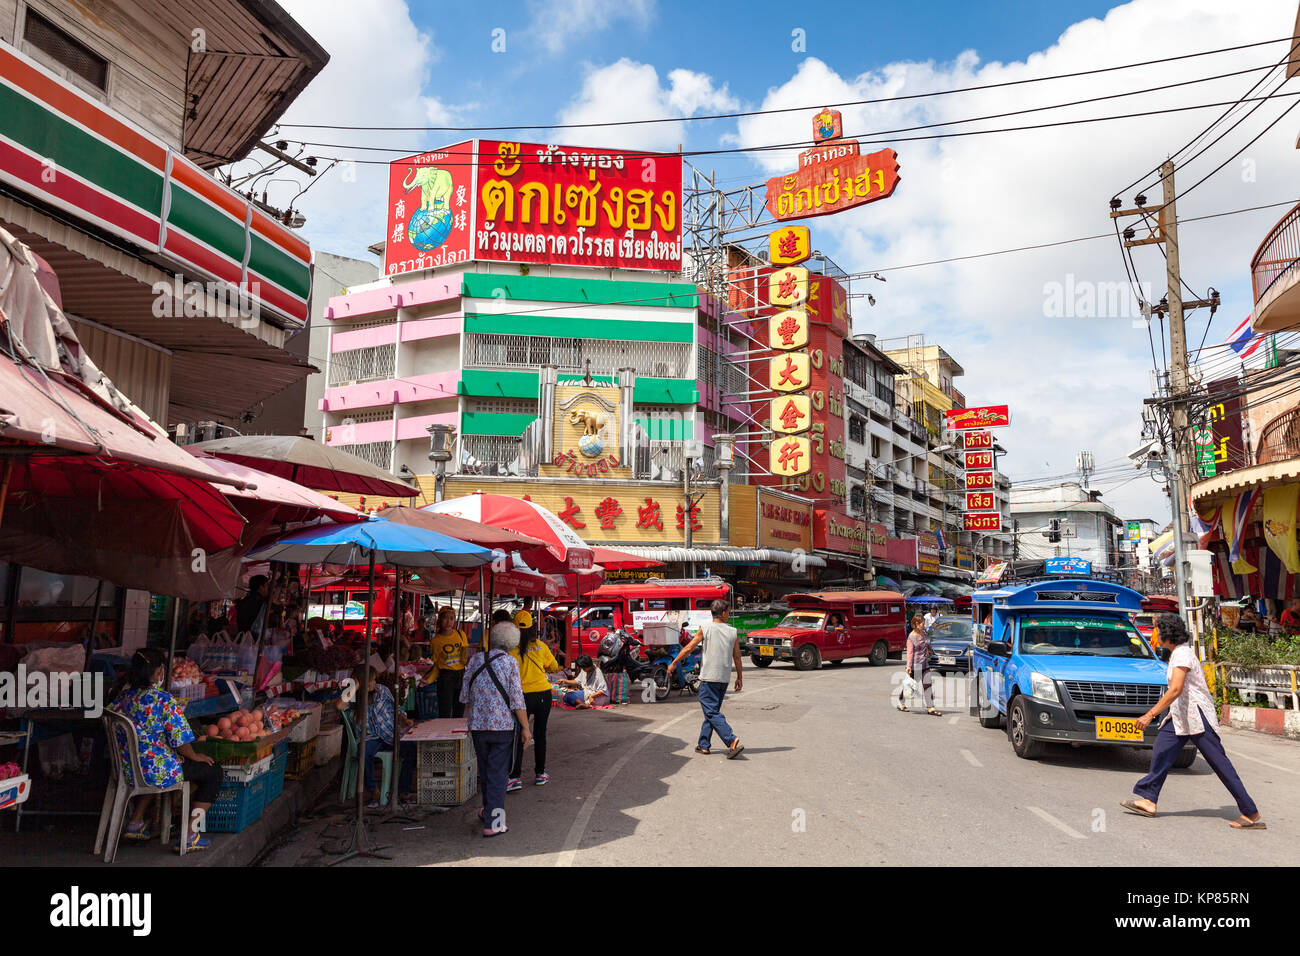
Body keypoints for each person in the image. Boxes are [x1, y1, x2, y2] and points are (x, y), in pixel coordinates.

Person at [1122, 614, 1264, 829]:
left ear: (1167, 632)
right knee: (1161, 750)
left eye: (1157, 630)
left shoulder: (1182, 655)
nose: (1155, 635)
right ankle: (1149, 799)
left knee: (1220, 764)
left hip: (1197, 717)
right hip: (1181, 717)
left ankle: (1250, 811)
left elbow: (1176, 689)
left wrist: (1150, 714)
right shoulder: (1176, 654)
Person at [109, 648, 224, 853]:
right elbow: (180, 741)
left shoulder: (121, 699)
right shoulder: (163, 700)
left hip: (127, 770)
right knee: (213, 771)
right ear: (157, 672)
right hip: (157, 771)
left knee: (157, 762)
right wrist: (194, 756)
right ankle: (190, 833)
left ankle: (136, 822)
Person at [461, 622, 530, 837]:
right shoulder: (510, 663)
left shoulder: (475, 659)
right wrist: (526, 728)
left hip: (478, 726)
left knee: (485, 772)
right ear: (513, 643)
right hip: (502, 728)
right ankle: (495, 823)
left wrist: (466, 721)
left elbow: (465, 695)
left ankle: (488, 811)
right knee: (499, 775)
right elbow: (517, 700)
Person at [669, 600, 744, 758]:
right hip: (723, 679)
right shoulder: (733, 632)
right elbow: (737, 657)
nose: (729, 614)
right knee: (711, 711)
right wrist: (739, 677)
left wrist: (674, 662)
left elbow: (689, 647)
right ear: (723, 613)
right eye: (728, 612)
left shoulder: (706, 628)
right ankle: (704, 745)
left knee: (710, 712)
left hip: (709, 678)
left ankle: (731, 739)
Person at [337, 666, 417, 807]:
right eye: (370, 680)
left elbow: (395, 708)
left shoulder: (382, 690)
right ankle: (373, 790)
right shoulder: (352, 695)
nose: (373, 683)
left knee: (411, 751)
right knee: (364, 753)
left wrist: (404, 720)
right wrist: (355, 685)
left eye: (374, 680)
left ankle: (403, 791)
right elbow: (339, 705)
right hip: (370, 737)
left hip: (390, 734)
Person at [507, 615, 561, 791]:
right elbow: (553, 667)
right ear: (533, 628)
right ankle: (540, 774)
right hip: (543, 694)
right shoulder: (541, 645)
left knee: (519, 735)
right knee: (540, 734)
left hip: (521, 697)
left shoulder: (510, 650)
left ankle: (514, 777)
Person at [898, 614, 941, 716]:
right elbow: (909, 653)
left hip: (925, 664)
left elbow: (927, 644)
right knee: (911, 686)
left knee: (927, 685)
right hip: (915, 666)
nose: (924, 625)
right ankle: (901, 701)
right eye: (923, 623)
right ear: (916, 624)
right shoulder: (911, 637)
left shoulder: (924, 633)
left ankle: (930, 707)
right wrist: (908, 667)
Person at [430, 606, 469, 719]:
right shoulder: (435, 641)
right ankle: (444, 735)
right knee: (445, 711)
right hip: (445, 677)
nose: (448, 622)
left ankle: (456, 736)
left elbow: (465, 656)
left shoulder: (461, 634)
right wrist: (428, 680)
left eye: (451, 618)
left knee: (459, 710)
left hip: (461, 675)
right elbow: (436, 665)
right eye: (446, 618)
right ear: (440, 620)